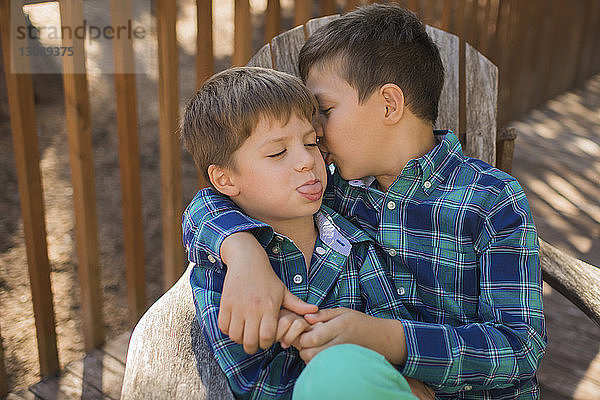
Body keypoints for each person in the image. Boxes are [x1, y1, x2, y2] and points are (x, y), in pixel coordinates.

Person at [187, 4, 546, 399]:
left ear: (389, 105)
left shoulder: (490, 199)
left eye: (323, 111)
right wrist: (241, 251)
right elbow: (212, 200)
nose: (315, 135)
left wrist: (386, 338)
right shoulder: (330, 186)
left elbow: (521, 348)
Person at [181, 66, 418, 399]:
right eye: (278, 152)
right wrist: (245, 255)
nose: (307, 161)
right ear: (226, 179)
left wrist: (355, 348)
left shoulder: (355, 244)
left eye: (312, 143)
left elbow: (397, 334)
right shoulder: (225, 274)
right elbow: (253, 381)